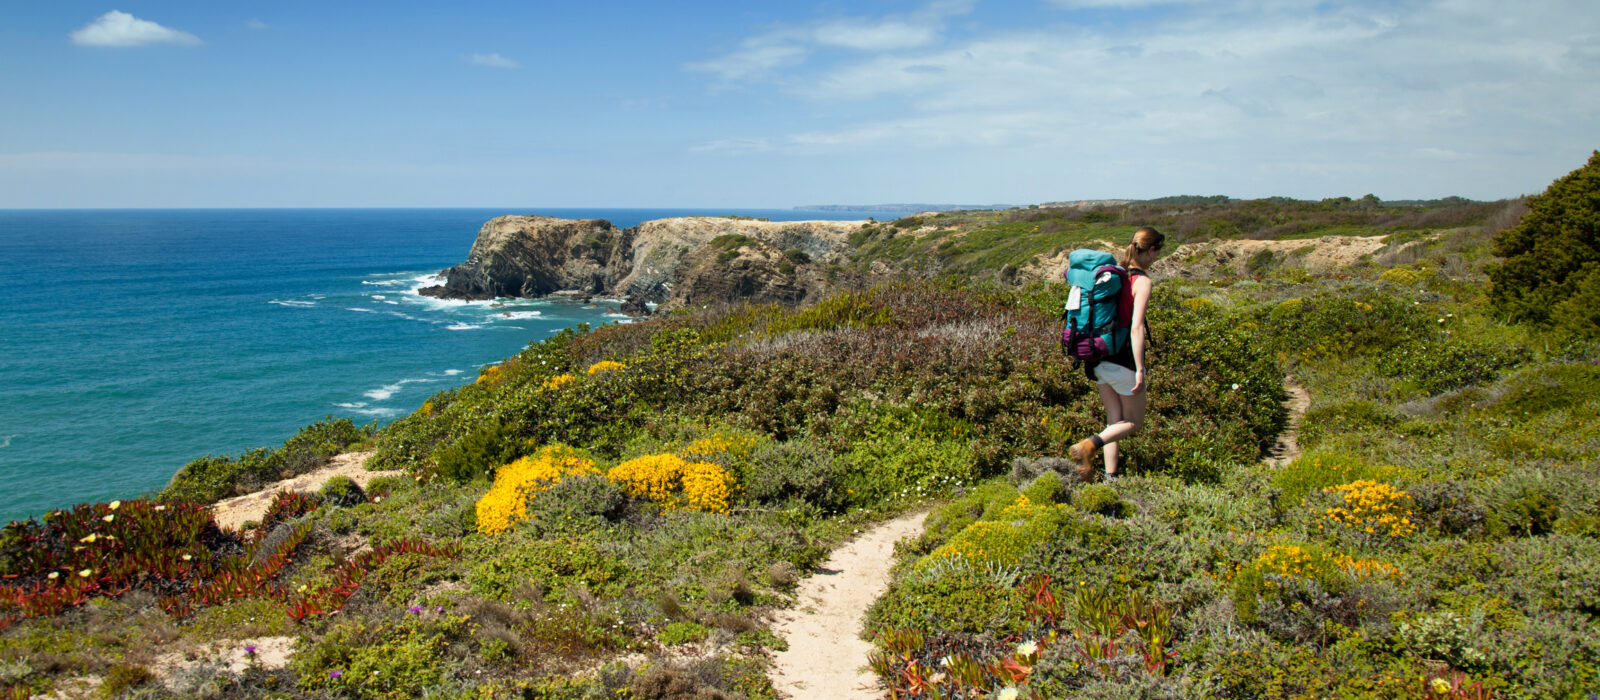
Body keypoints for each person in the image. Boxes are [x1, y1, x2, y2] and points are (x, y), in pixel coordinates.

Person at [1069, 227, 1165, 482]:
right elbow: (1136, 327)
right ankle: (1088, 446)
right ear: (1150, 250)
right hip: (1123, 359)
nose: (1156, 258)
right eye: (1157, 252)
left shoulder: (1115, 276)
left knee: (1115, 421)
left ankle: (1110, 477)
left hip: (1098, 356)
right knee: (1134, 422)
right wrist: (1140, 368)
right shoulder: (1141, 281)